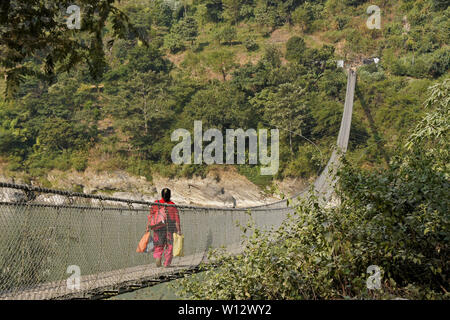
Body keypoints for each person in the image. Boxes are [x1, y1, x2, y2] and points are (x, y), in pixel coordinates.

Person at [149, 188, 181, 268]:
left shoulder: (156, 203)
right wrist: (179, 230)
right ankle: (167, 263)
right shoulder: (172, 205)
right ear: (170, 195)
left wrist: (149, 226)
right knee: (169, 246)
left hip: (158, 228)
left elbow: (151, 215)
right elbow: (177, 219)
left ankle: (158, 257)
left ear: (161, 194)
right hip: (170, 228)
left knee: (158, 245)